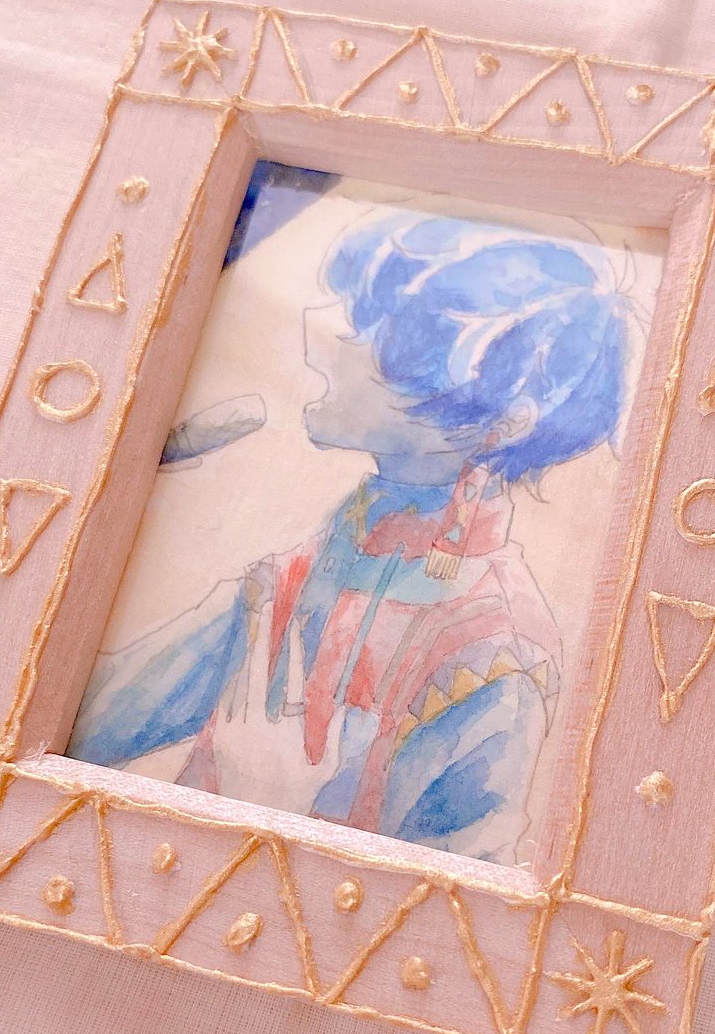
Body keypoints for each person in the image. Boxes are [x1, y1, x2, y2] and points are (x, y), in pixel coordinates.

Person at [68, 210, 631, 865]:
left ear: (503, 421)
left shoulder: (495, 654)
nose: (322, 330)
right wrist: (121, 471)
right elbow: (81, 719)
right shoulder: (302, 572)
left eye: (381, 335)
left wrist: (266, 807)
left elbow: (444, 909)